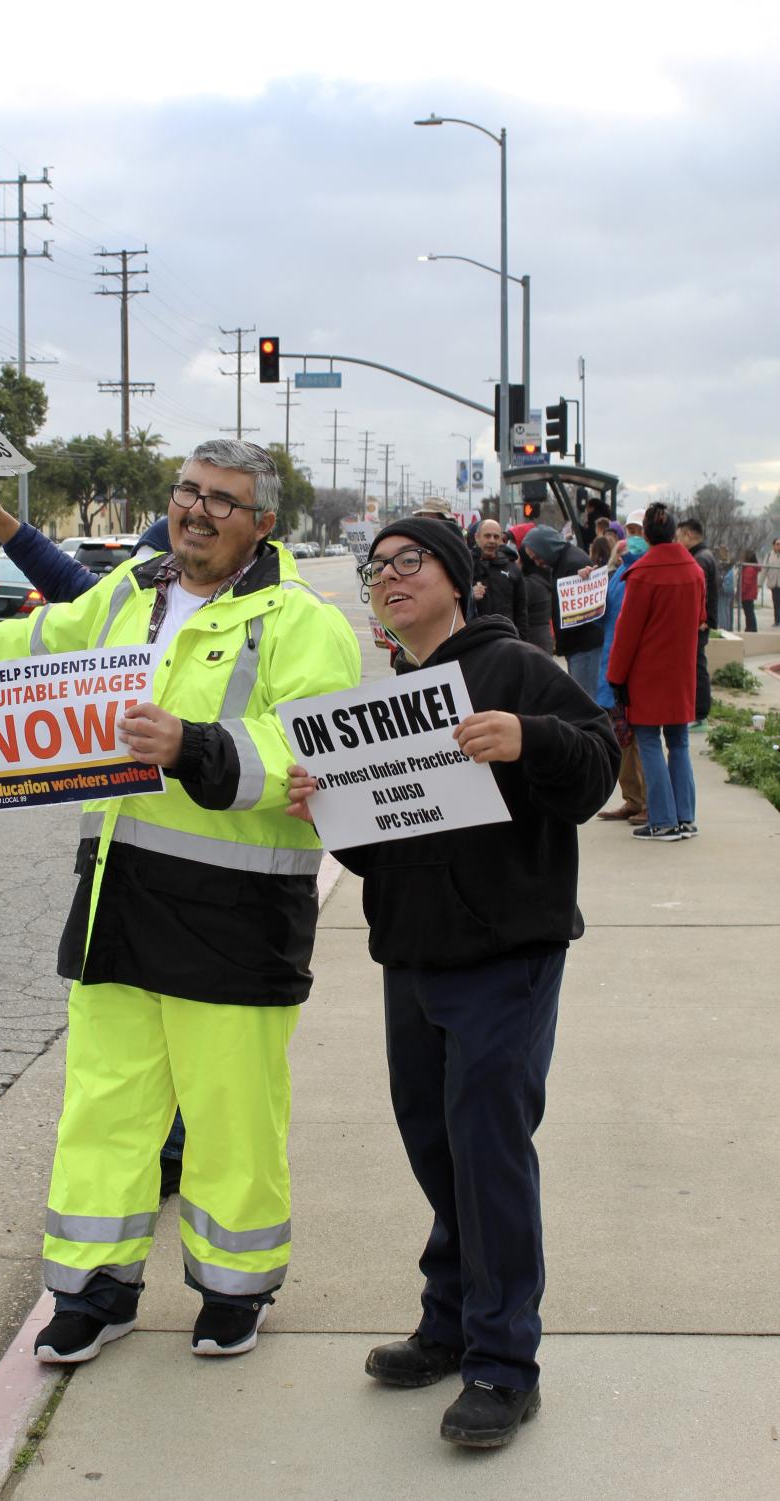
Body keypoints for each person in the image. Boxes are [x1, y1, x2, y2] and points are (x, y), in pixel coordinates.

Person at [0, 439, 361, 1363]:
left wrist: (192, 743)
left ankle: (234, 1288)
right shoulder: (129, 591)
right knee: (104, 1108)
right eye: (188, 492)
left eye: (223, 501)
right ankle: (94, 1291)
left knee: (231, 1117)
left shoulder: (303, 622)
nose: (198, 510)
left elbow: (312, 755)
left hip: (236, 916)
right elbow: (32, 648)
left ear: (261, 522)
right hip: (118, 900)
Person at [287, 517, 618, 1450]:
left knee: (489, 1152)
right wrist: (330, 810)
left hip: (505, 957)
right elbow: (381, 846)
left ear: (459, 580)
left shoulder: (512, 668)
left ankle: (504, 1365)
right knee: (436, 1147)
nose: (389, 579)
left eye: (410, 562)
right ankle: (447, 1321)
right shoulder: (394, 695)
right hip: (412, 954)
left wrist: (527, 738)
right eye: (376, 569)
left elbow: (593, 766)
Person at [0, 483, 187, 1197]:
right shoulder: (122, 612)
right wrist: (2, 524)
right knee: (131, 1040)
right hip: (120, 868)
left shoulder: (228, 631)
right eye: (149, 573)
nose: (154, 587)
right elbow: (69, 585)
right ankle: (157, 1155)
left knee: (186, 1039)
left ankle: (174, 1153)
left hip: (208, 877)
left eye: (163, 573)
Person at [607, 502, 705, 841]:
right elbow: (700, 619)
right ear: (674, 531)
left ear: (646, 534)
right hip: (681, 672)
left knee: (648, 741)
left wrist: (615, 677)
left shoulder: (643, 574)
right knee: (678, 742)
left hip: (647, 674)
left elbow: (627, 633)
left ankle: (662, 820)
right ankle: (685, 817)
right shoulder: (694, 571)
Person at [595, 531, 650, 824]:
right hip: (613, 667)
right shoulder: (618, 577)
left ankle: (648, 802)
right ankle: (633, 799)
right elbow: (601, 613)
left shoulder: (638, 578)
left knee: (639, 741)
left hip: (629, 671)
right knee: (622, 740)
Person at [522, 524, 605, 694]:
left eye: (538, 557)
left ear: (546, 547)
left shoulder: (573, 562)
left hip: (583, 647)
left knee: (586, 702)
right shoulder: (563, 560)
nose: (539, 563)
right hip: (578, 645)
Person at [676, 516, 718, 723]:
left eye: (679, 536)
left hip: (699, 624)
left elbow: (702, 593)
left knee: (696, 666)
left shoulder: (699, 558)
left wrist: (701, 618)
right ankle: (698, 711)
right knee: (696, 664)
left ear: (689, 534)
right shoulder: (705, 554)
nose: (677, 541)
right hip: (702, 621)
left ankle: (699, 712)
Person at [471, 518, 529, 639]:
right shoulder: (465, 566)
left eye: (496, 537)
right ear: (477, 537)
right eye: (487, 536)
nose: (492, 540)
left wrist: (522, 641)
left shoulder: (512, 569)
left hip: (506, 639)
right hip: (475, 640)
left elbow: (521, 612)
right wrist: (470, 595)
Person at [740, 549, 761, 632]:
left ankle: (751, 627)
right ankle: (750, 627)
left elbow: (747, 583)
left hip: (747, 594)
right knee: (749, 611)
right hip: (750, 594)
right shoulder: (751, 568)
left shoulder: (749, 569)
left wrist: (741, 592)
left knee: (749, 612)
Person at [764, 538, 780, 628]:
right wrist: (759, 583)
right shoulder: (769, 555)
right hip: (774, 583)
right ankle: (777, 620)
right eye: (777, 544)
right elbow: (764, 569)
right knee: (776, 602)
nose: (779, 546)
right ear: (774, 545)